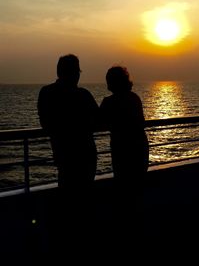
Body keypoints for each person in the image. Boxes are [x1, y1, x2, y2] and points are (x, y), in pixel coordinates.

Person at [37, 54, 99, 254]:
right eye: (77, 72)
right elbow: (98, 121)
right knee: (83, 201)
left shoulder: (46, 93)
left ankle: (66, 244)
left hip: (64, 155)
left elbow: (45, 123)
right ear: (74, 73)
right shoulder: (83, 95)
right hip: (86, 155)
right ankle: (80, 243)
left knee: (67, 197)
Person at [100, 66, 149, 239]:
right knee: (137, 188)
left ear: (112, 82)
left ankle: (126, 230)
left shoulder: (108, 103)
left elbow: (98, 121)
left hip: (122, 150)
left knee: (123, 188)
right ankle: (137, 227)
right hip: (140, 148)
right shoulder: (135, 98)